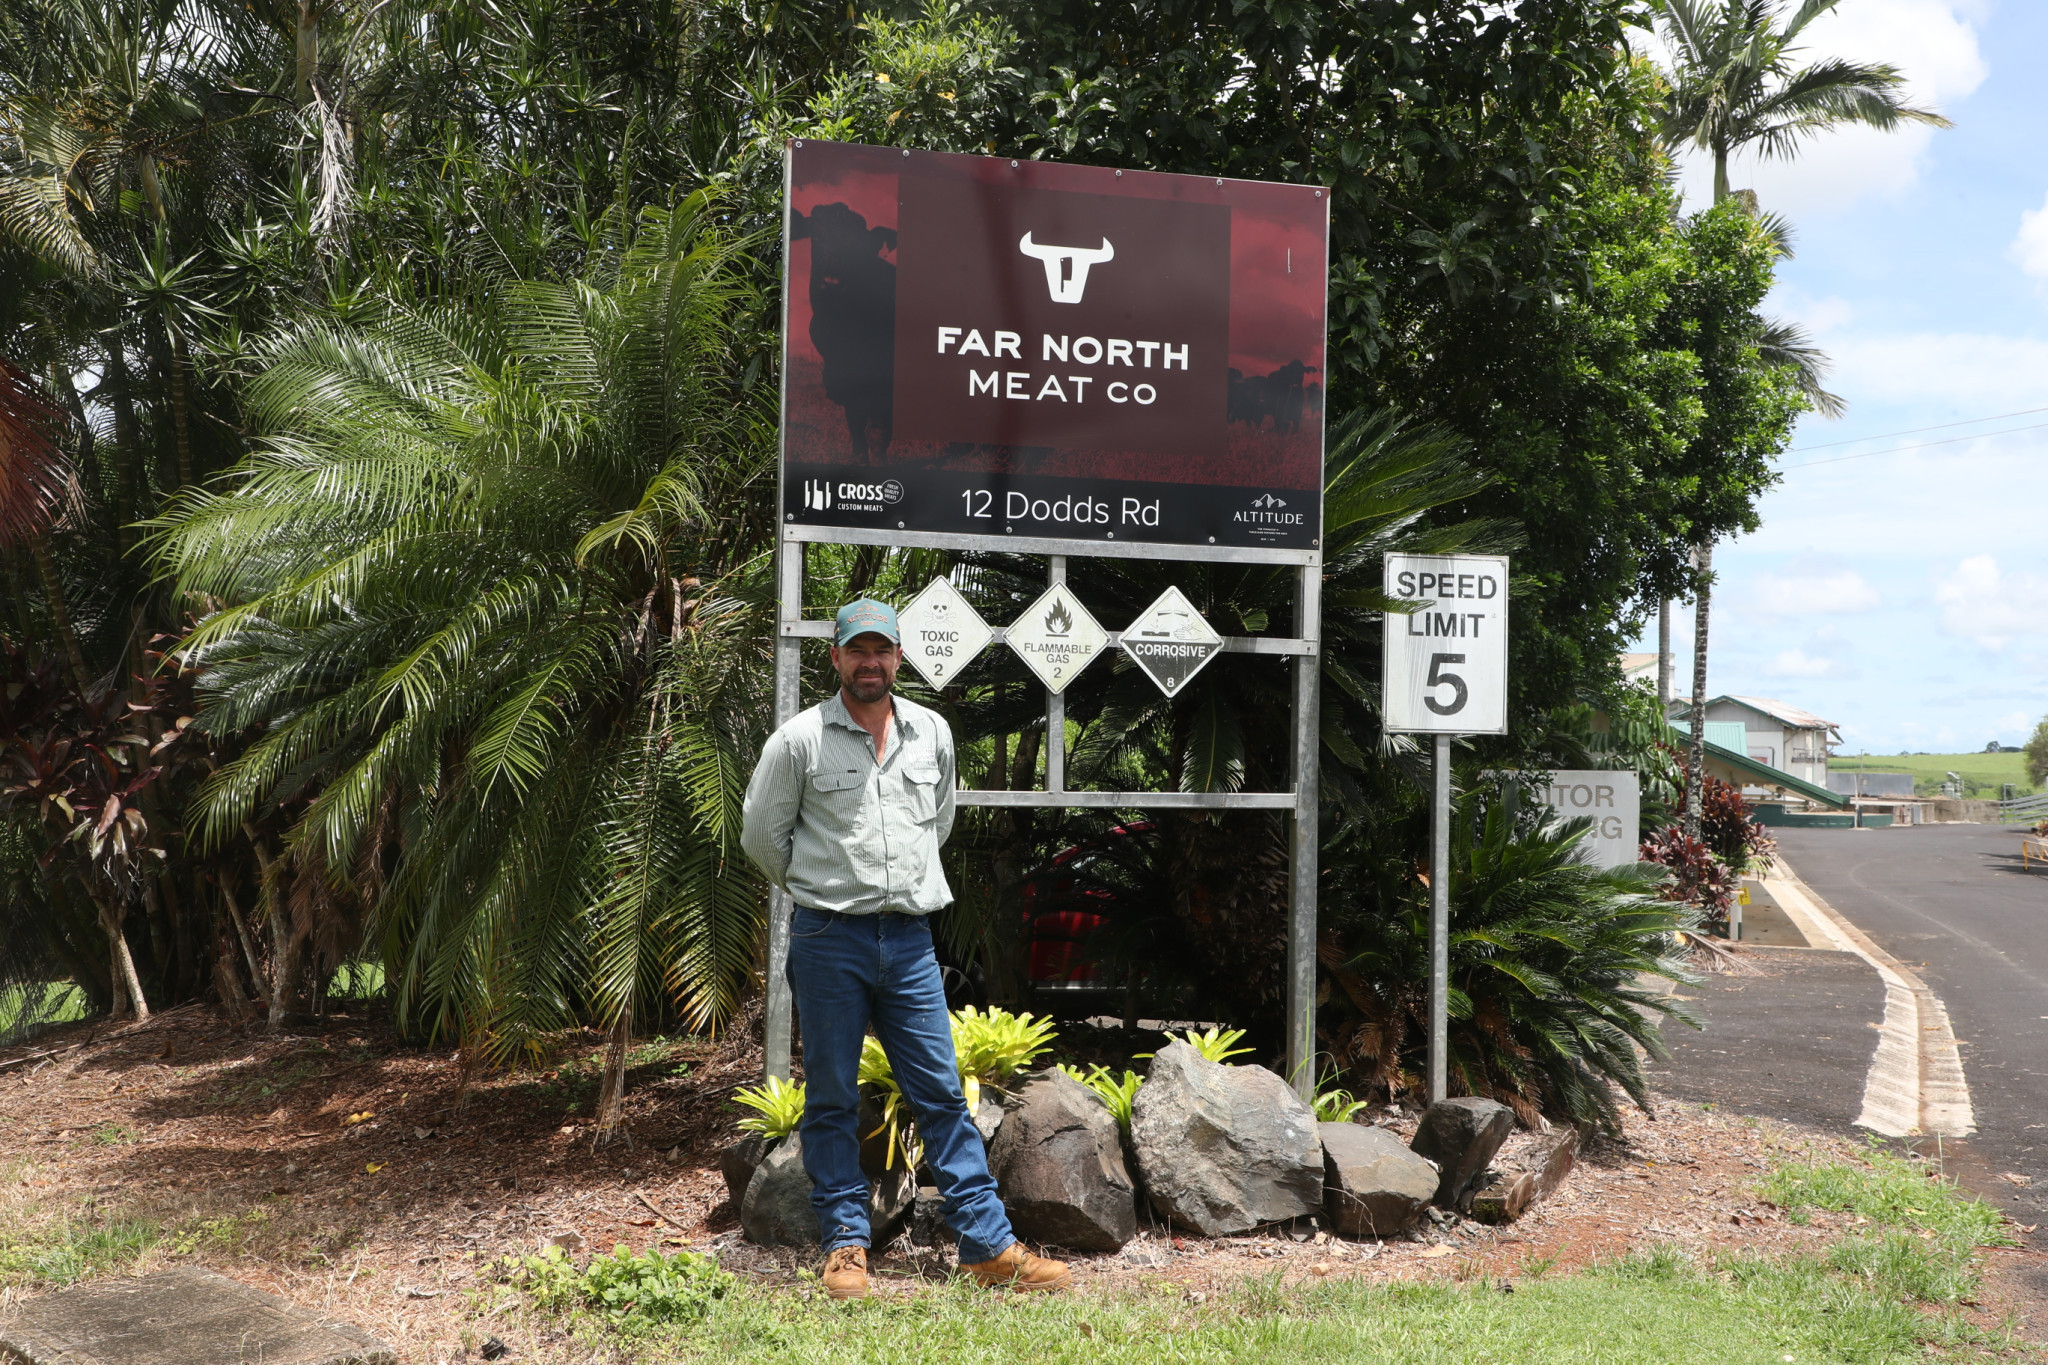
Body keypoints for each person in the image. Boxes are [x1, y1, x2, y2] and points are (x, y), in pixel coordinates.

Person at [739, 597, 1071, 1300]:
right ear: (834, 658)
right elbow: (762, 839)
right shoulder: (798, 740)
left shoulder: (933, 734)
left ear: (898, 656)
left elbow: (937, 823)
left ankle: (986, 1246)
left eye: (882, 650)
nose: (870, 662)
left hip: (911, 939)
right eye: (857, 650)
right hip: (829, 937)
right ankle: (846, 1246)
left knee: (941, 1094)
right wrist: (823, 886)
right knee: (830, 1098)